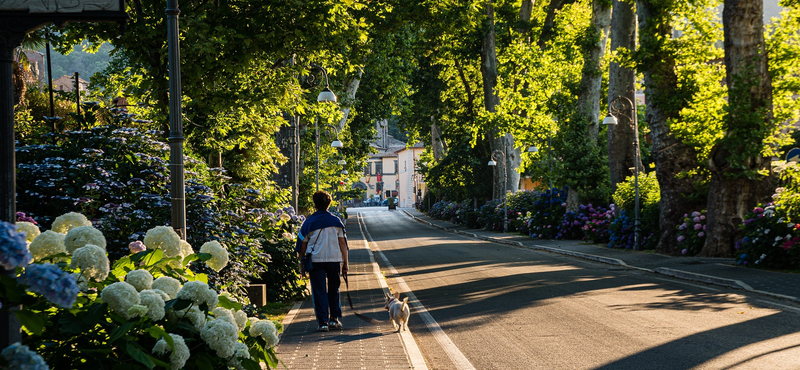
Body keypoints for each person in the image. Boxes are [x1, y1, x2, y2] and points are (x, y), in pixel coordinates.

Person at [296, 191, 349, 332]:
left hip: (316, 260)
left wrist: (302, 263)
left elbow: (302, 245)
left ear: (315, 204)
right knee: (334, 289)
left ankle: (323, 322)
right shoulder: (336, 221)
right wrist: (345, 263)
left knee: (319, 291)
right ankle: (334, 319)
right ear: (329, 204)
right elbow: (343, 244)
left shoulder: (309, 222)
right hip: (334, 259)